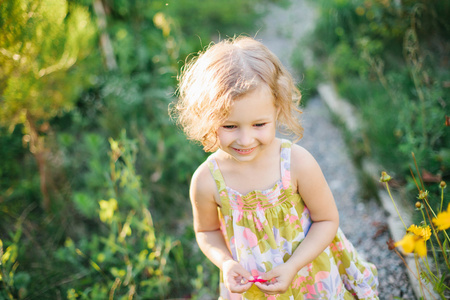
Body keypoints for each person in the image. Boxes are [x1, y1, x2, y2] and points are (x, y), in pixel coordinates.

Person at [170, 36, 379, 299]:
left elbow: (327, 220)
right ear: (206, 118)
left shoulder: (296, 163)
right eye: (230, 126)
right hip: (253, 288)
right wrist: (225, 263)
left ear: (277, 110)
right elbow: (206, 231)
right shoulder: (207, 180)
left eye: (259, 124)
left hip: (310, 275)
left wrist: (292, 266)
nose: (245, 140)